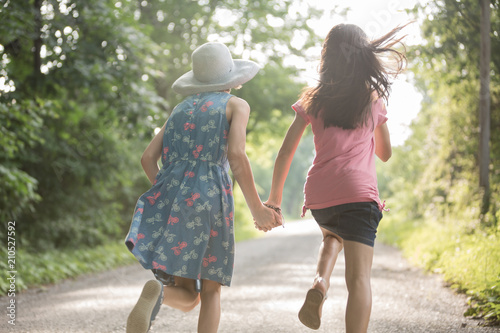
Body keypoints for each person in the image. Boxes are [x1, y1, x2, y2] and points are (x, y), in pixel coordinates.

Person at [124, 41, 282, 333]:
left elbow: (147, 158)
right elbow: (236, 154)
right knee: (210, 292)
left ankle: (159, 294)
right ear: (231, 81)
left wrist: (169, 193)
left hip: (175, 201)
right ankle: (159, 295)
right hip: (211, 200)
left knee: (187, 294)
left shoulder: (179, 110)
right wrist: (257, 208)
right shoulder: (236, 105)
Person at [265, 23, 407, 332]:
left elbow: (285, 152)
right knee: (359, 280)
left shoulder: (313, 99)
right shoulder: (372, 98)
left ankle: (319, 283)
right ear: (363, 57)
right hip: (359, 195)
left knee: (332, 237)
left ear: (327, 56)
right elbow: (385, 153)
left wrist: (274, 201)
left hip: (321, 195)